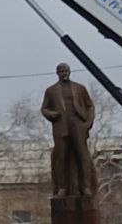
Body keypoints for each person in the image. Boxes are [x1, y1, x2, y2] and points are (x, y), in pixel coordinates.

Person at [41, 62, 98, 196]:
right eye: (61, 71)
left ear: (70, 71)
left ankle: (85, 187)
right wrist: (51, 114)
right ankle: (62, 187)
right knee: (61, 157)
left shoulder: (79, 88)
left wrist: (88, 123)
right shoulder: (51, 90)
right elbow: (44, 108)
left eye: (65, 71)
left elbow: (90, 106)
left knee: (82, 156)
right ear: (57, 73)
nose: (64, 73)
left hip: (77, 125)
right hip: (61, 126)